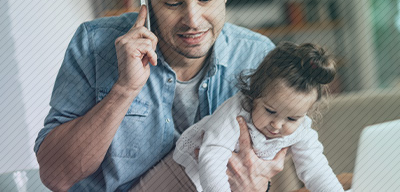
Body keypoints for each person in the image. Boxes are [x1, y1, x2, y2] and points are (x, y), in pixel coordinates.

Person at [34, 0, 287, 191]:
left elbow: (270, 160)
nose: (193, 20)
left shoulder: (257, 57)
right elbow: (55, 175)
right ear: (147, 0)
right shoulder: (94, 45)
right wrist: (124, 89)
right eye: (172, 3)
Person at [131, 42, 345, 192]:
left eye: (292, 119)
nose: (277, 125)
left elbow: (316, 169)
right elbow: (211, 159)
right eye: (270, 111)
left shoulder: (302, 130)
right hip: (179, 174)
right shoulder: (236, 111)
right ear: (254, 95)